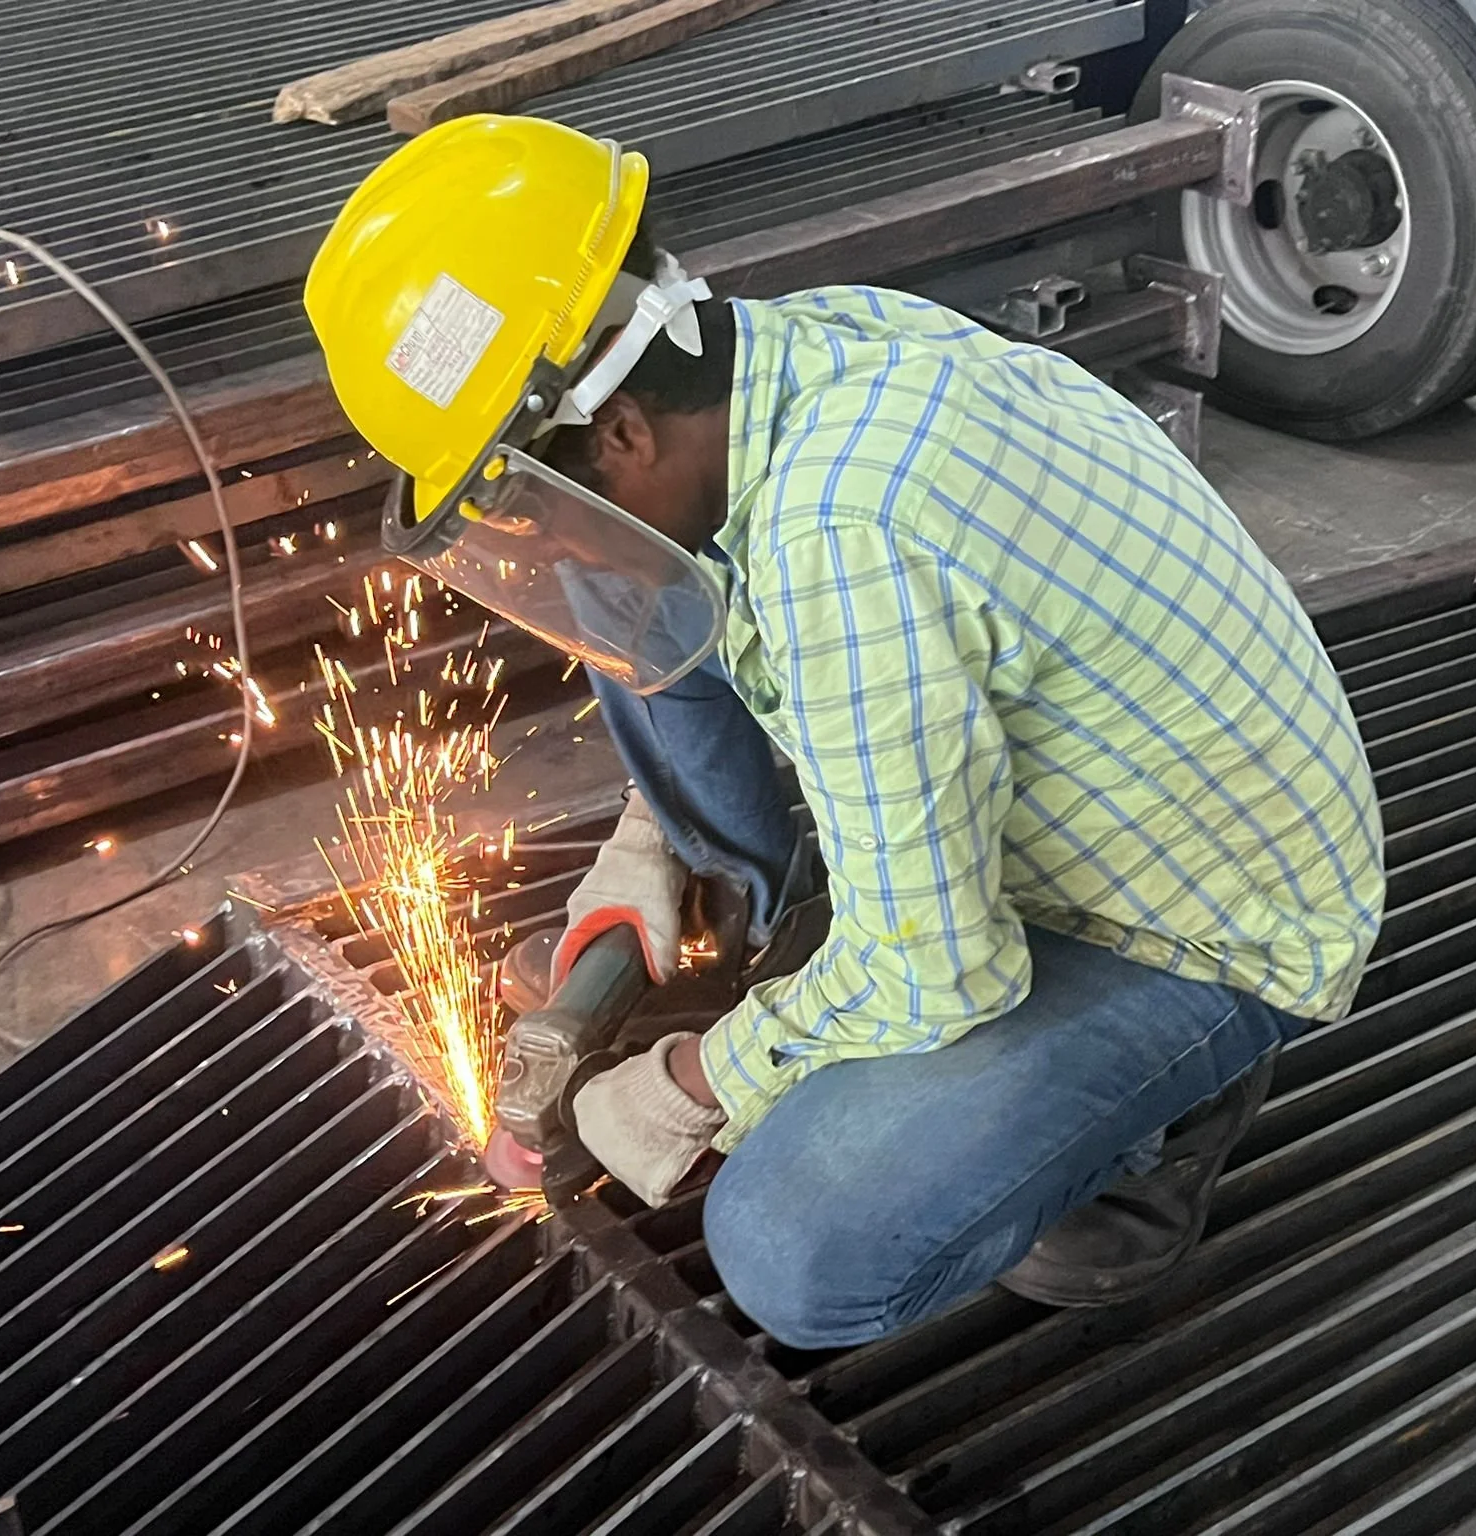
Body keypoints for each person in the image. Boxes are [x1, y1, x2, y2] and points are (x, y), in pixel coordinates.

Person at [305, 114, 1385, 1349]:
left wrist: (686, 1086)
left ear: (618, 431)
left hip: (1199, 918)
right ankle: (761, 930)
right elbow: (696, 617)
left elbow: (940, 970)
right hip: (1109, 786)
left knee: (800, 1248)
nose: (533, 539)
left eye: (528, 499)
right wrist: (652, 849)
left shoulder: (843, 540)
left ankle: (1143, 1130)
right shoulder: (804, 347)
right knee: (626, 588)